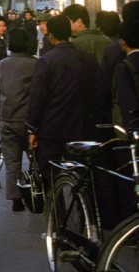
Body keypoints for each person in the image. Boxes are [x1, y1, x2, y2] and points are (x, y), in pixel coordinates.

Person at [26, 14, 102, 178]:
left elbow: (37, 97)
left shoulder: (46, 61)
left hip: (51, 127)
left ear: (51, 35)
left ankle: (56, 201)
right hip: (80, 126)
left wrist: (32, 127)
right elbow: (97, 94)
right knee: (80, 174)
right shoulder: (88, 59)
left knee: (50, 175)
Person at [0, 27, 36, 212]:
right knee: (34, 159)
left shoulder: (3, 64)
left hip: (6, 118)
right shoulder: (34, 64)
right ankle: (36, 193)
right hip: (27, 120)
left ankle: (16, 199)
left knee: (12, 162)